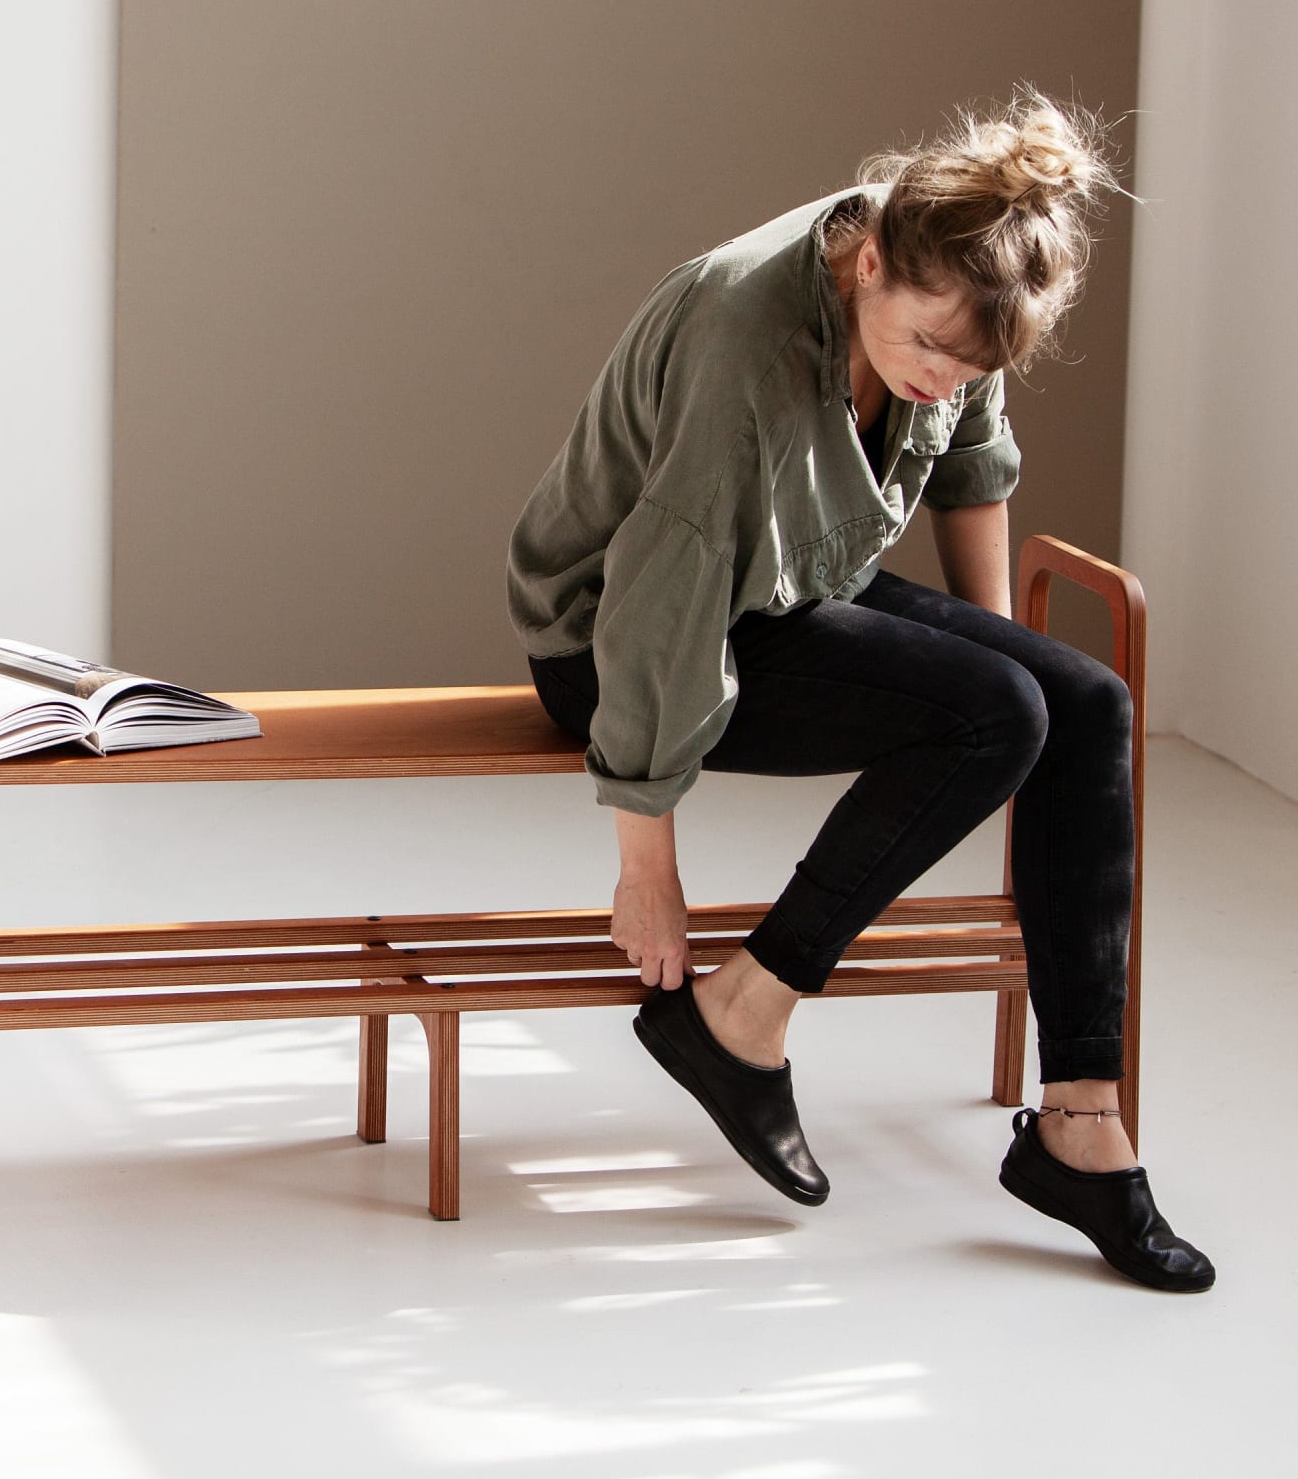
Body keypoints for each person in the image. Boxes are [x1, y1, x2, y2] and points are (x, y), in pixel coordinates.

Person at [505, 89, 1214, 1292]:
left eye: (971, 359)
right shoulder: (747, 340)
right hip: (612, 635)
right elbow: (659, 610)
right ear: (865, 260)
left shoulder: (957, 289)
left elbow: (970, 468)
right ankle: (738, 1011)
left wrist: (992, 648)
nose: (943, 375)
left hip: (787, 580)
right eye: (927, 347)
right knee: (1000, 713)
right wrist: (644, 873)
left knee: (1074, 702)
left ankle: (1078, 1125)